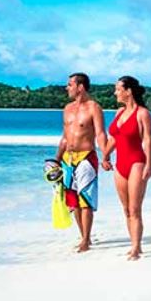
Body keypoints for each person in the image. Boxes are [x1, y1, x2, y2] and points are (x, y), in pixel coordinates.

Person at [102, 76, 151, 261]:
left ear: (128, 91)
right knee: (125, 209)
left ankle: (136, 248)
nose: (115, 92)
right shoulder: (118, 112)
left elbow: (147, 140)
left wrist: (149, 164)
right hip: (120, 164)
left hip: (137, 162)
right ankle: (133, 243)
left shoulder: (142, 113)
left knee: (134, 208)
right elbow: (114, 138)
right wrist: (106, 156)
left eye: (118, 89)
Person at [57, 73, 108, 253]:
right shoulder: (67, 108)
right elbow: (65, 137)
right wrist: (56, 159)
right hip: (67, 159)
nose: (67, 87)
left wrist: (106, 156)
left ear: (80, 87)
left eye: (70, 84)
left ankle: (86, 239)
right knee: (73, 201)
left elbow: (101, 134)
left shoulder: (94, 107)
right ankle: (83, 236)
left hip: (86, 157)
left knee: (85, 199)